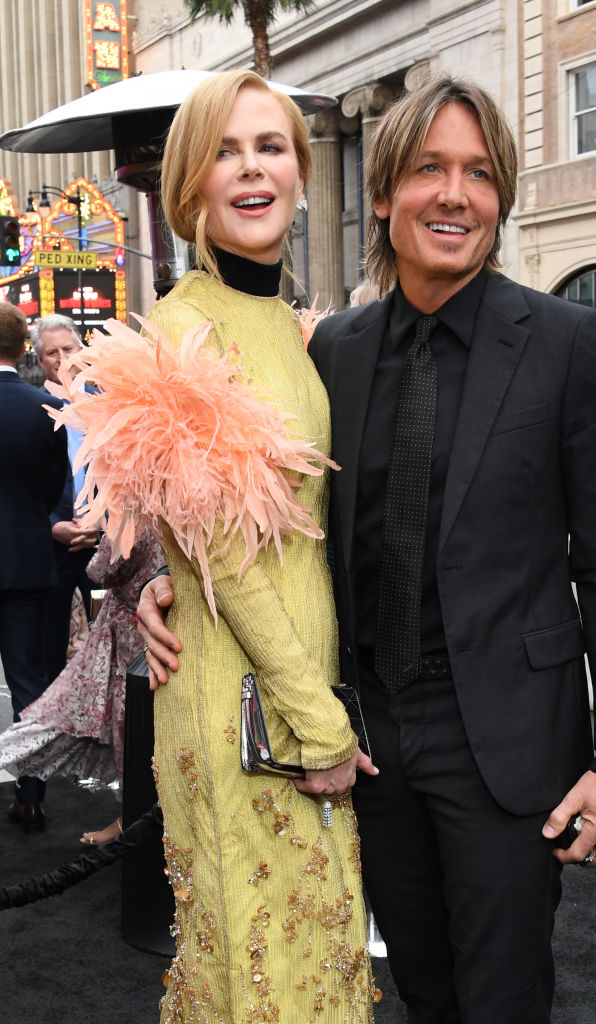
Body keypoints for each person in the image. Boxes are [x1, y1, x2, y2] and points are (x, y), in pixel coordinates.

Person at [140, 76, 596, 1022]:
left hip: (504, 742)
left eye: (478, 174)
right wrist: (166, 588)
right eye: (429, 169)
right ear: (384, 193)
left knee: (501, 999)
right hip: (367, 733)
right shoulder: (331, 349)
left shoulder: (565, 342)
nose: (454, 195)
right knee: (417, 991)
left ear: (500, 198)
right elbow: (263, 512)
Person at [55, 69, 378, 1022]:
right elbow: (228, 563)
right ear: (191, 182)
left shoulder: (289, 325)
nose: (251, 170)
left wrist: (162, 585)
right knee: (260, 971)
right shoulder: (184, 330)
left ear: (302, 173)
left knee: (309, 950)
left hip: (293, 684)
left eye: (270, 147)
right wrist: (315, 720)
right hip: (248, 703)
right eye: (226, 151)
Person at [0, 529, 165, 844]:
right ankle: (138, 816)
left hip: (129, 636)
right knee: (148, 727)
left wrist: (104, 533)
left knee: (123, 728)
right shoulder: (178, 512)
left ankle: (133, 819)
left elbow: (102, 569)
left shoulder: (134, 513)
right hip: (157, 629)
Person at [0, 301, 69, 825]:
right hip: (26, 559)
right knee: (29, 679)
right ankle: (31, 794)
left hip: (24, 556)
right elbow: (52, 490)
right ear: (23, 349)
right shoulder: (44, 410)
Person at [31, 314, 100, 683]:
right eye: (51, 352)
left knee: (111, 642)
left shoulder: (110, 403)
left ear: (81, 350)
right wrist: (51, 525)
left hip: (105, 540)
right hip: (53, 542)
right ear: (41, 361)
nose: (61, 358)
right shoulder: (33, 409)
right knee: (50, 646)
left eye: (67, 349)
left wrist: (100, 525)